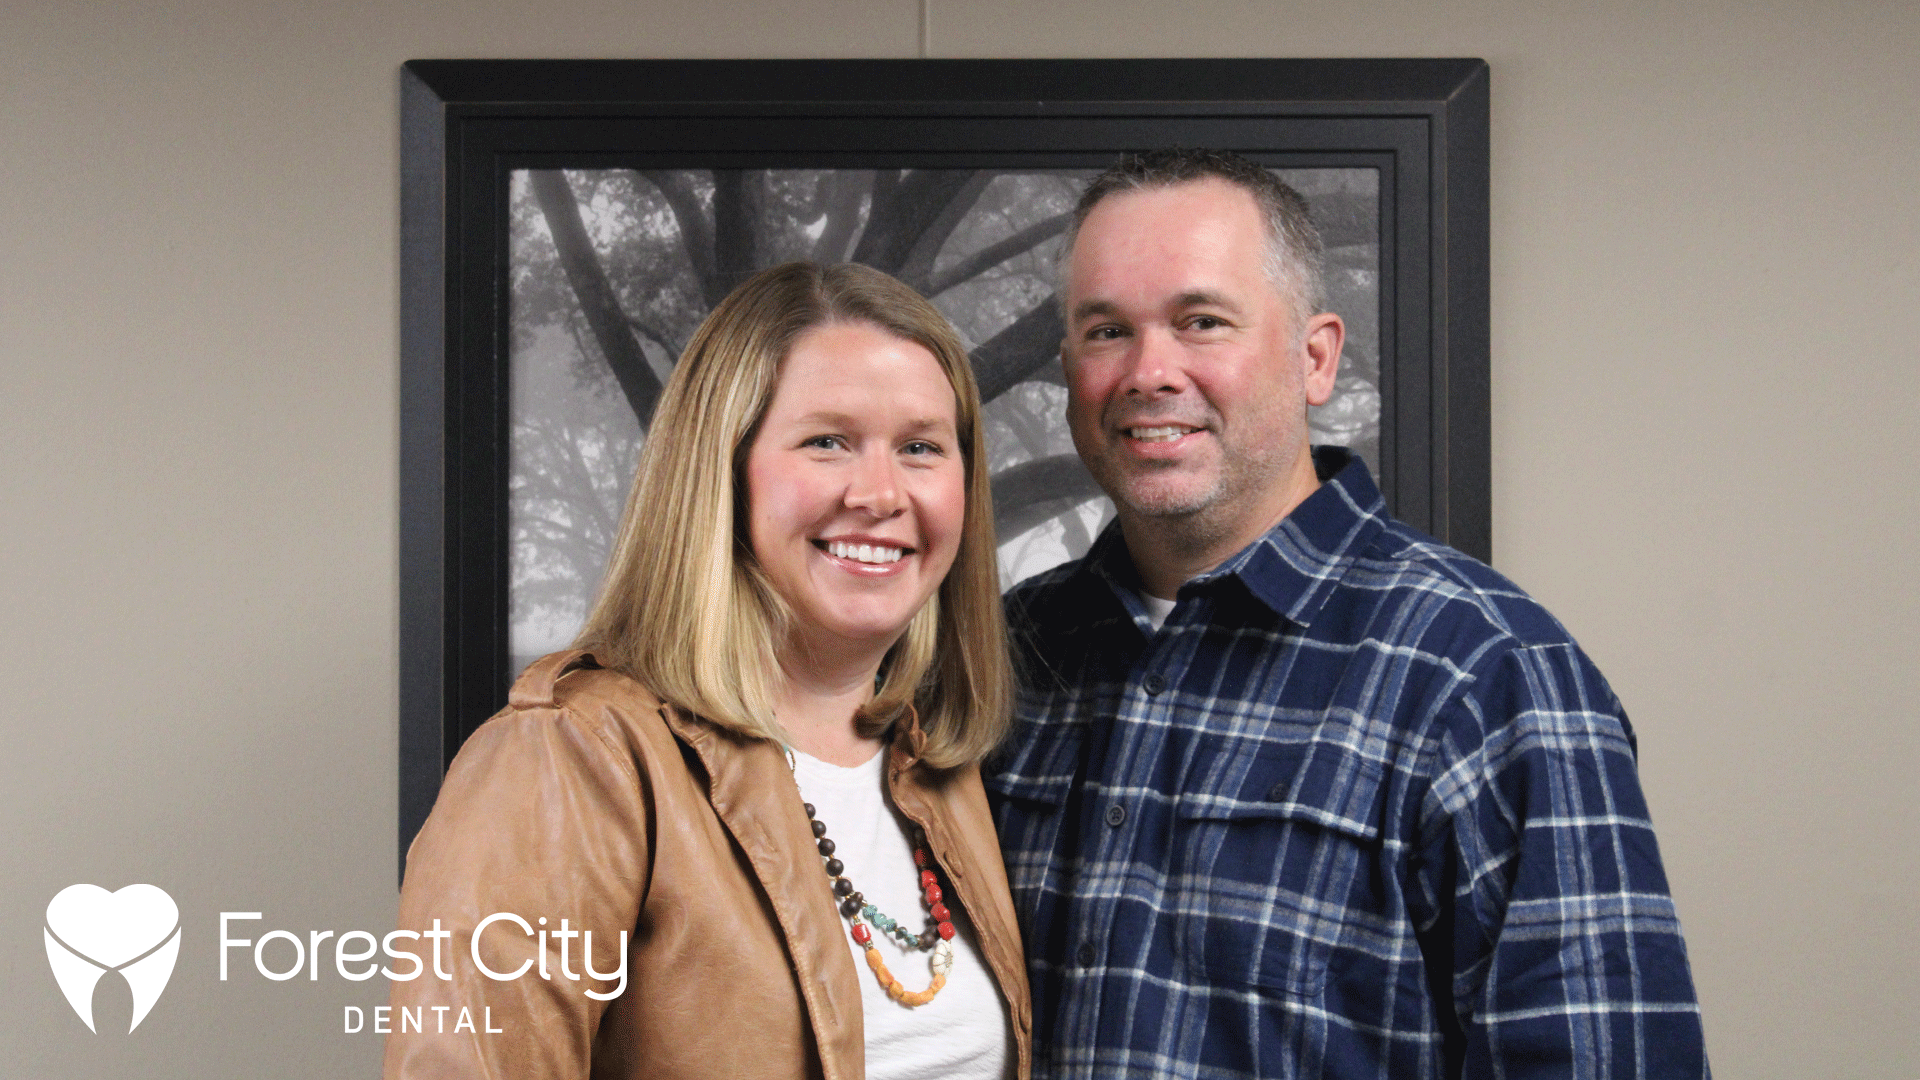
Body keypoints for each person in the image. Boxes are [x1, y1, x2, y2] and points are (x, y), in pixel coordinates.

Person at [987, 149, 1707, 1079]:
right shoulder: (1009, 653)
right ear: (1070, 369)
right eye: (1106, 331)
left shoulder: (1487, 674)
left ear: (1316, 358)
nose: (1149, 370)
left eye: (1202, 321)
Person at [385, 262, 1029, 1080]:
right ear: (721, 469)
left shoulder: (941, 772)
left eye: (921, 448)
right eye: (827, 441)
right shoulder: (570, 758)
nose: (880, 493)